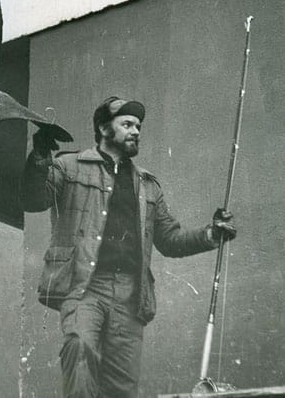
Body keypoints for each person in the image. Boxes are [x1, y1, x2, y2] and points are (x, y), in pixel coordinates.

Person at [21, 96, 236, 398]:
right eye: (127, 124)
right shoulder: (69, 167)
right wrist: (41, 155)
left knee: (122, 388)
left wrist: (211, 233)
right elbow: (33, 200)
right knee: (79, 346)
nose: (135, 130)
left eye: (138, 126)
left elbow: (170, 240)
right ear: (104, 129)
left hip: (129, 296)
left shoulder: (148, 185)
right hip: (84, 288)